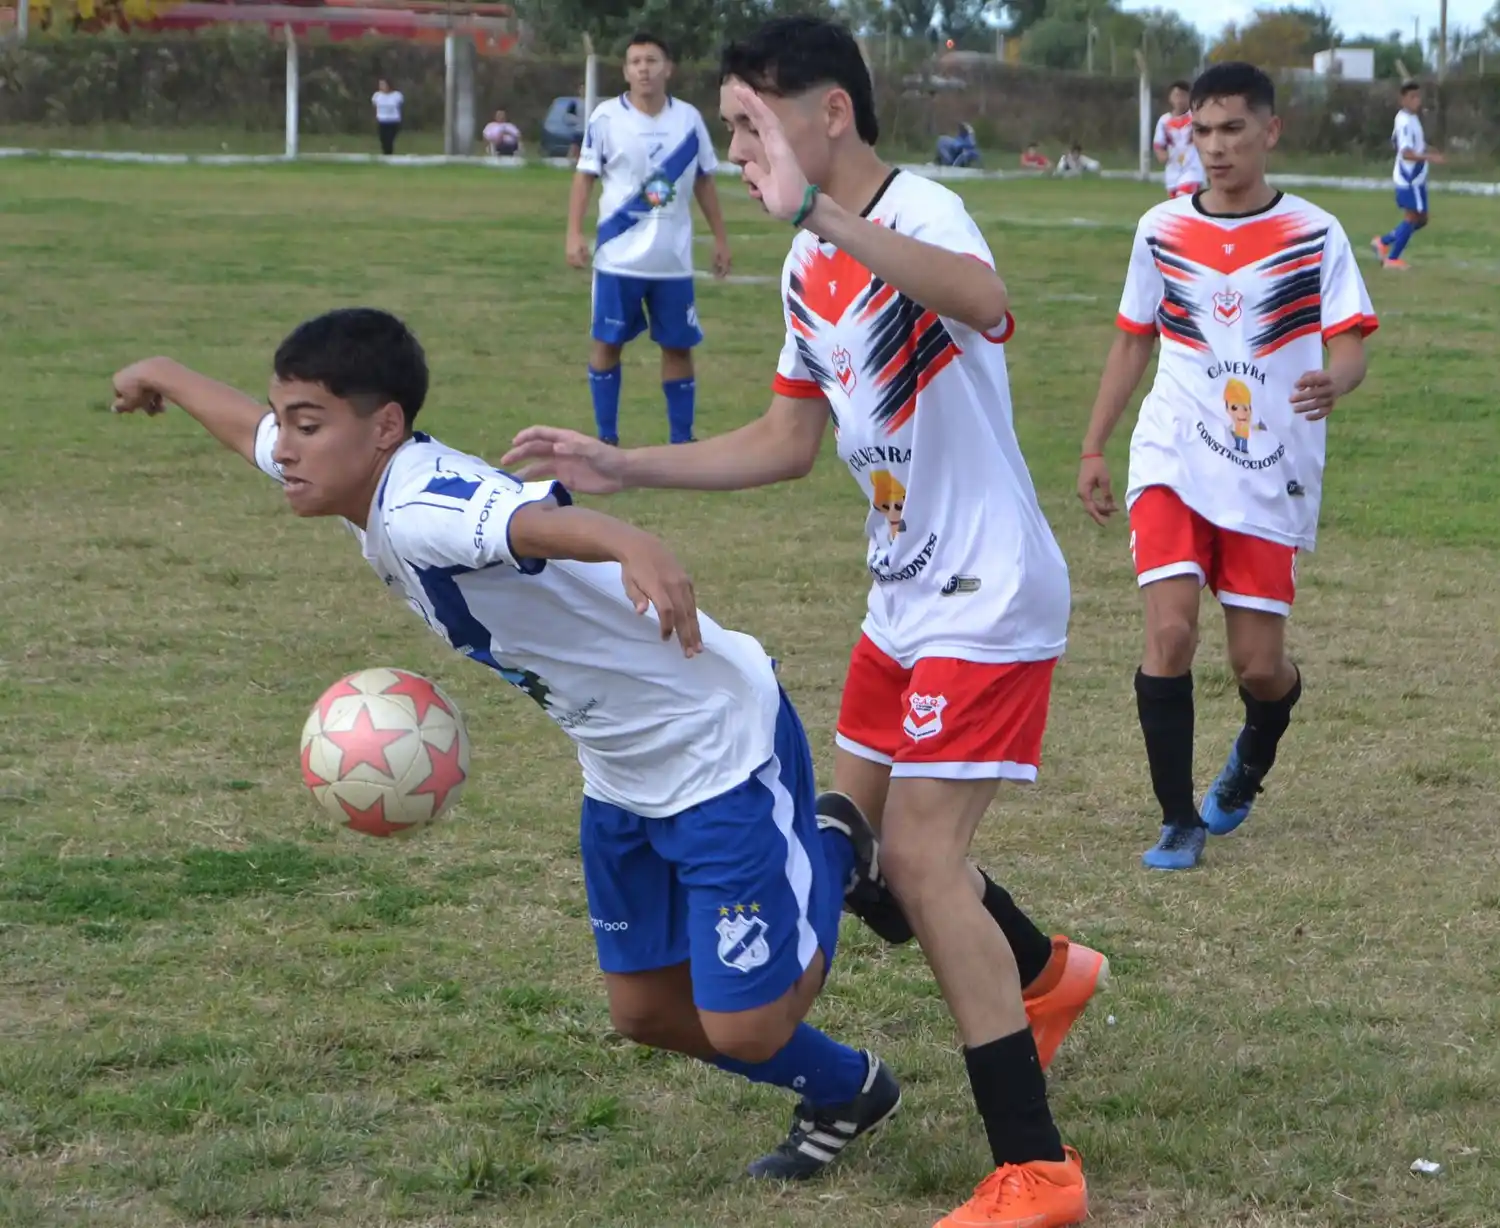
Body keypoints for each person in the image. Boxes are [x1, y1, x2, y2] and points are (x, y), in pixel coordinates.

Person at [507, 17, 1107, 1228]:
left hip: (987, 595)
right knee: (859, 849)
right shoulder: (805, 267)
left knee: (926, 863)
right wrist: (624, 464)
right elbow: (788, 438)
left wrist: (817, 213)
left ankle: (1036, 1171)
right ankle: (1047, 972)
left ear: (828, 112)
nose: (732, 145)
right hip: (902, 596)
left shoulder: (919, 213)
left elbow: (986, 302)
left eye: (746, 121)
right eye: (728, 124)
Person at [108, 307, 905, 1181]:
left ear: (384, 428)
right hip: (619, 765)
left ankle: (836, 843)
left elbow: (525, 521)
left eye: (306, 426)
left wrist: (628, 539)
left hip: (714, 744)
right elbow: (252, 432)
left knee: (748, 1026)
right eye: (284, 422)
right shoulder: (352, 473)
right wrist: (165, 373)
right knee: (642, 1013)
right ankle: (848, 1090)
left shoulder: (418, 504)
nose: (284, 448)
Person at [1076, 62, 1377, 871]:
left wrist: (1333, 379)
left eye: (1232, 130)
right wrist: (1094, 444)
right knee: (1169, 630)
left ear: (1270, 132)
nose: (1214, 148)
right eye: (1202, 132)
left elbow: (1349, 343)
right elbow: (1134, 337)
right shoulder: (1161, 229)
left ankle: (1254, 748)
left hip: (1269, 464)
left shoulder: (1315, 233)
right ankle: (1178, 818)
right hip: (1173, 449)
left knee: (1259, 665)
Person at [566, 32, 733, 448]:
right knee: (607, 343)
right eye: (636, 61)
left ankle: (682, 440)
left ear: (668, 68)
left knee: (678, 347)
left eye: (652, 60)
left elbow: (705, 182)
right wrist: (573, 232)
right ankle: (606, 438)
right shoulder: (605, 118)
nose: (644, 68)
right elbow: (585, 177)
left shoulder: (689, 120)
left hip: (671, 261)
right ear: (625, 71)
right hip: (617, 258)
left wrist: (721, 239)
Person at [1372, 80, 1443, 270]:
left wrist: (1429, 149)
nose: (1416, 100)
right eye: (1412, 97)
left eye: (1418, 96)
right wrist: (1429, 157)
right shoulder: (1403, 121)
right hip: (1408, 177)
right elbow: (1406, 153)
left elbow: (1415, 145)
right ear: (1402, 99)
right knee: (1412, 217)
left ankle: (1383, 242)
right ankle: (1392, 259)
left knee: (1422, 219)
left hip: (1417, 177)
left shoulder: (1412, 118)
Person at [1152, 79, 1202, 199]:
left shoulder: (1196, 117)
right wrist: (1161, 154)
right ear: (1170, 98)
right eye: (1176, 95)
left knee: (1184, 199)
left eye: (1183, 96)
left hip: (1192, 169)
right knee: (1176, 206)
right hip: (1173, 171)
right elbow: (1158, 144)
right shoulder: (1164, 121)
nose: (1179, 99)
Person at [372, 78, 404, 157]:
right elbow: (375, 105)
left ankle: (389, 155)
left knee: (389, 140)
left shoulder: (397, 95)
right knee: (383, 139)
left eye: (383, 84)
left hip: (393, 121)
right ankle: (385, 155)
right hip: (382, 121)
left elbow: (400, 105)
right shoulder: (377, 96)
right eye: (380, 85)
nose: (381, 86)